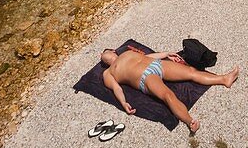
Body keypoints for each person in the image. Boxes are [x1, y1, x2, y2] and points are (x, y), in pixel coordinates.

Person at [100, 47, 239, 134]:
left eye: (104, 51)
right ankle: (190, 121)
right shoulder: (107, 73)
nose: (102, 53)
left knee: (191, 71)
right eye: (102, 55)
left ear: (113, 51)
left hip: (156, 64)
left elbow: (148, 57)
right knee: (168, 95)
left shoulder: (126, 52)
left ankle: (224, 79)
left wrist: (167, 53)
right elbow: (116, 88)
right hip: (145, 77)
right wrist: (123, 102)